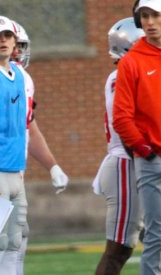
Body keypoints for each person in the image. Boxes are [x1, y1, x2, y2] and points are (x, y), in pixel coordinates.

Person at [0, 16, 69, 275]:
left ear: (14, 41)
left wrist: (52, 166)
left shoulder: (24, 77)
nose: (3, 41)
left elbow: (28, 127)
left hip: (17, 172)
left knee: (16, 241)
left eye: (8, 36)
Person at [93, 17, 144, 275]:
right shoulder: (119, 75)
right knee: (119, 249)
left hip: (145, 163)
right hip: (129, 163)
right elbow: (125, 123)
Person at [113, 0, 161, 274]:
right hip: (152, 161)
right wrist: (146, 151)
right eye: (145, 16)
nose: (150, 22)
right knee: (157, 235)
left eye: (155, 15)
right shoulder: (132, 61)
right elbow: (122, 117)